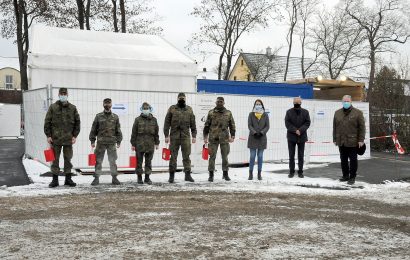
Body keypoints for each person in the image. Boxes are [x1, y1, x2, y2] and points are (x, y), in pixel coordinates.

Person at [44, 87, 80, 188]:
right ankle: (55, 180)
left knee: (68, 159)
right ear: (59, 94)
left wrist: (75, 136)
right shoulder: (53, 107)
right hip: (56, 139)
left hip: (68, 139)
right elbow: (47, 121)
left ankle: (68, 179)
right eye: (61, 93)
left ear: (67, 95)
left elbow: (77, 122)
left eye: (65, 94)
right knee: (55, 160)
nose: (63, 95)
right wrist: (48, 135)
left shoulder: (73, 108)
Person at [164, 93, 197, 183]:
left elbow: (193, 124)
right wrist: (166, 135)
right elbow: (167, 123)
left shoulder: (189, 109)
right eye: (180, 98)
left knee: (186, 156)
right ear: (177, 99)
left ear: (185, 99)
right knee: (173, 157)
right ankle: (171, 176)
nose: (181, 99)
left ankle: (187, 175)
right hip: (174, 136)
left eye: (183, 98)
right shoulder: (172, 108)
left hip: (186, 136)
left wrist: (194, 135)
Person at [89, 98, 123, 185]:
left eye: (109, 103)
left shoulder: (115, 117)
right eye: (105, 103)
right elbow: (94, 129)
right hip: (101, 143)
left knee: (112, 161)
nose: (107, 105)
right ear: (103, 104)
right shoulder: (98, 116)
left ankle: (114, 178)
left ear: (111, 105)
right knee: (98, 161)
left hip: (111, 143)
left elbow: (118, 130)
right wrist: (92, 140)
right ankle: (96, 178)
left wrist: (119, 141)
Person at [333, 95, 365, 185]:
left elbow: (362, 128)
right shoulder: (337, 113)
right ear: (342, 102)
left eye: (347, 101)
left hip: (353, 142)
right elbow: (334, 127)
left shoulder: (358, 113)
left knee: (353, 160)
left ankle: (352, 177)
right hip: (341, 141)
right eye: (344, 101)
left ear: (351, 102)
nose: (346, 103)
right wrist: (335, 138)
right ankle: (345, 175)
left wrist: (361, 140)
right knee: (343, 160)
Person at [204, 96, 236, 182]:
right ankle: (211, 175)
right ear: (216, 102)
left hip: (225, 138)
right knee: (212, 157)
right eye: (218, 102)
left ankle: (225, 174)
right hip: (213, 138)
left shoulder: (228, 113)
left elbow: (232, 125)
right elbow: (206, 126)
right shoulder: (211, 113)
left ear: (224, 103)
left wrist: (232, 136)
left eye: (221, 102)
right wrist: (205, 137)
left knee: (225, 157)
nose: (219, 103)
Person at [130, 102, 160, 185]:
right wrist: (133, 144)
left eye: (147, 109)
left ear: (150, 109)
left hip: (150, 144)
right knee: (139, 162)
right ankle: (139, 178)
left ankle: (147, 178)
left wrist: (157, 143)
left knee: (148, 162)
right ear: (142, 109)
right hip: (139, 144)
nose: (145, 110)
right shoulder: (137, 120)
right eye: (144, 108)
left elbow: (156, 133)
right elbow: (134, 133)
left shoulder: (154, 120)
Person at [285, 97, 311, 178]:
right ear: (293, 102)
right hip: (291, 136)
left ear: (301, 103)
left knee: (301, 155)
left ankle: (300, 172)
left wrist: (300, 130)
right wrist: (295, 130)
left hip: (302, 136)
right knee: (291, 155)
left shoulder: (305, 112)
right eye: (295, 102)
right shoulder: (289, 112)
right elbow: (287, 123)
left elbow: (307, 122)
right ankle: (291, 171)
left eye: (298, 102)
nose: (297, 104)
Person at [247, 99, 270, 180]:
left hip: (262, 138)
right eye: (256, 104)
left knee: (260, 156)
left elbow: (267, 126)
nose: (258, 105)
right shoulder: (251, 114)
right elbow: (249, 125)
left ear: (262, 105)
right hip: (253, 138)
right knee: (252, 156)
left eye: (259, 104)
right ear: (254, 105)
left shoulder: (265, 115)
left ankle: (259, 173)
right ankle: (250, 173)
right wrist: (254, 132)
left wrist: (262, 133)